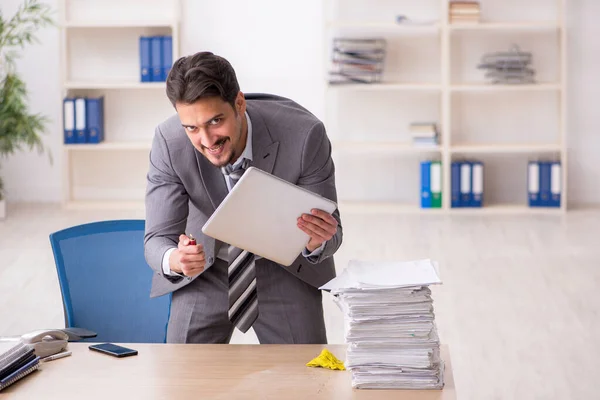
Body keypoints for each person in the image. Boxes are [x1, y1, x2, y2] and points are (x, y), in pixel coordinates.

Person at [143, 51, 343, 344]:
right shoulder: (169, 142)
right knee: (182, 377)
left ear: (239, 103)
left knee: (306, 380)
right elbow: (156, 240)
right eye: (192, 128)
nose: (207, 141)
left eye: (215, 121)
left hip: (283, 267)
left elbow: (333, 235)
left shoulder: (304, 136)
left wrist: (316, 240)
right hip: (205, 269)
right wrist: (175, 258)